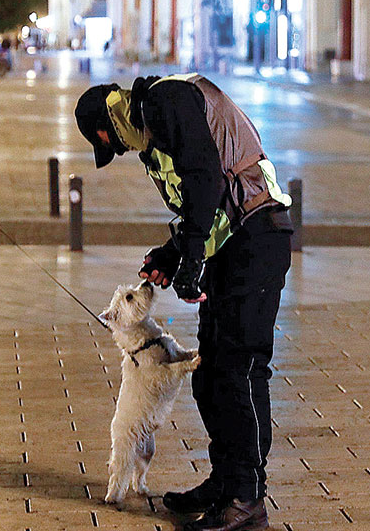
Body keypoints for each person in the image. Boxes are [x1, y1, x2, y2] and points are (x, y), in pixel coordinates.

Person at [75, 74, 292, 531]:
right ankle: (225, 482)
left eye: (110, 145)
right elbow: (202, 204)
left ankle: (247, 500)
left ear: (106, 126)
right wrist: (174, 254)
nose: (124, 151)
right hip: (231, 246)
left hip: (256, 241)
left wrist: (191, 258)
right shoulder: (155, 123)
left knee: (240, 373)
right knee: (210, 374)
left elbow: (205, 176)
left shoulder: (166, 101)